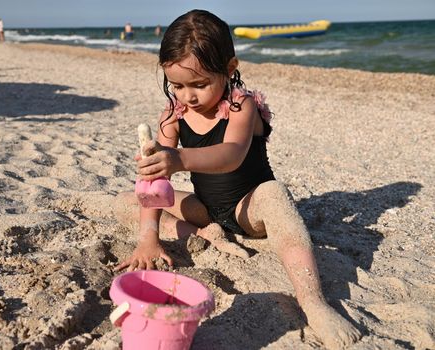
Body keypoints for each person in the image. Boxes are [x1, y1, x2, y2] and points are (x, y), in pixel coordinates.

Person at [114, 9, 361, 349]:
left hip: (250, 209)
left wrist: (179, 158)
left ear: (229, 69)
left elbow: (231, 154)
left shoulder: (241, 106)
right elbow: (158, 186)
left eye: (200, 84)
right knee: (131, 200)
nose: (188, 96)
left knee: (276, 193)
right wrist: (148, 237)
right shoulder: (173, 115)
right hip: (206, 210)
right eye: (178, 85)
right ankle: (204, 234)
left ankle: (313, 302)